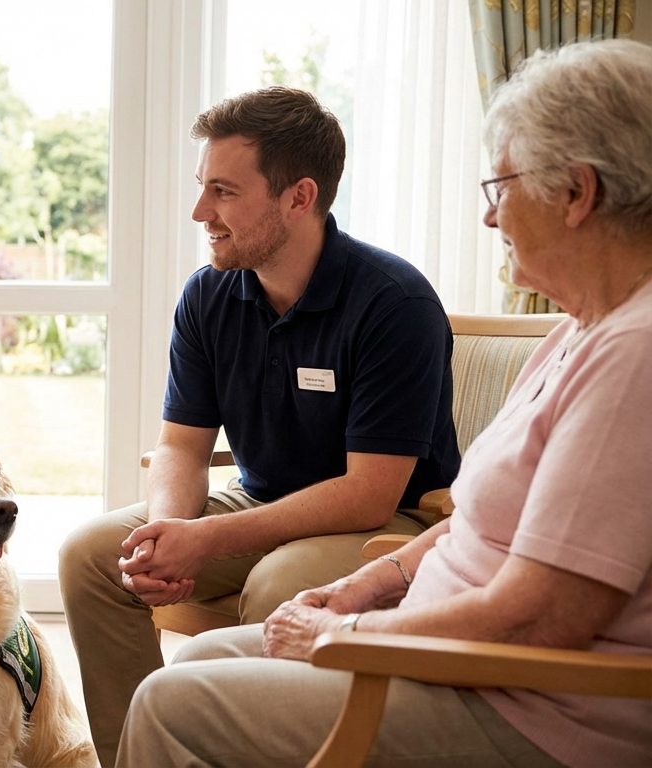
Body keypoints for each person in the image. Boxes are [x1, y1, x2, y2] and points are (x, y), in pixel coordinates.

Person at [117, 39, 652, 768]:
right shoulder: (580, 332)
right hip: (450, 646)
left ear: (577, 193)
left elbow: (543, 615)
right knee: (201, 656)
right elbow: (476, 531)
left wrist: (353, 637)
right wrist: (359, 588)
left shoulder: (633, 358)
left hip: (526, 704)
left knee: (172, 704)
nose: (491, 219)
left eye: (501, 188)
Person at [59, 86, 461, 766]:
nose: (200, 213)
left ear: (299, 197)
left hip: (386, 523)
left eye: (224, 191)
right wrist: (169, 533)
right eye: (202, 187)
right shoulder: (209, 293)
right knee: (94, 556)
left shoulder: (395, 303)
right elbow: (182, 446)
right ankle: (143, 754)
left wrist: (205, 537)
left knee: (281, 585)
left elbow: (368, 492)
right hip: (261, 501)